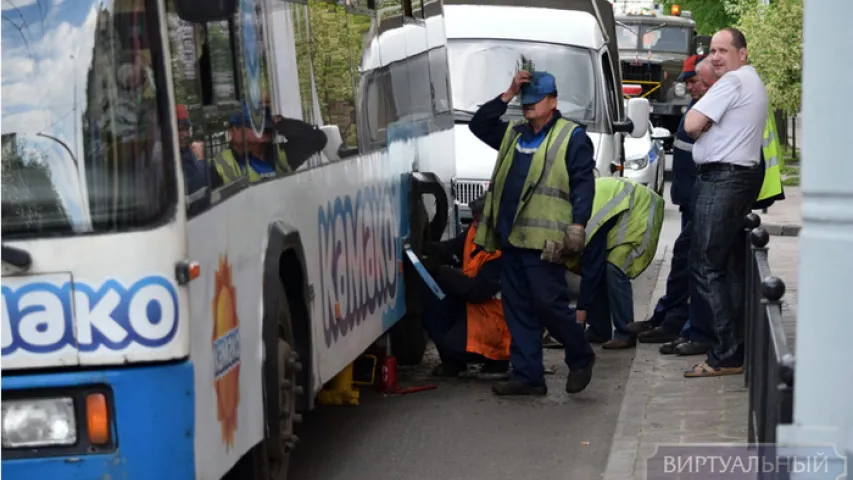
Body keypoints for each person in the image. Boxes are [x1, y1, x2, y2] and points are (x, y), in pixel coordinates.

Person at [470, 69, 597, 396]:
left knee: (548, 304)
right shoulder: (514, 133)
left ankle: (580, 355)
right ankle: (528, 376)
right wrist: (510, 90)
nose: (527, 106)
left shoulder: (572, 136)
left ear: (553, 101)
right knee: (518, 307)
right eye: (524, 101)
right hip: (511, 237)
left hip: (546, 240)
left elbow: (584, 182)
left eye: (533, 100)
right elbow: (479, 124)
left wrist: (578, 225)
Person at [682, 27, 767, 378]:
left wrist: (701, 126)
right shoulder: (752, 81)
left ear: (742, 53)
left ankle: (726, 354)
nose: (715, 57)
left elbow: (691, 123)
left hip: (722, 180)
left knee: (706, 266)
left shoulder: (732, 83)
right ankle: (736, 349)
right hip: (737, 179)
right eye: (712, 50)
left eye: (723, 50)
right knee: (728, 268)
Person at [626, 56, 719, 356]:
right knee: (683, 261)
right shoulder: (696, 109)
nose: (690, 87)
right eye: (688, 82)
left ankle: (676, 321)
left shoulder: (709, 111)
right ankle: (666, 317)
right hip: (691, 200)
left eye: (694, 82)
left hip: (702, 201)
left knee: (688, 262)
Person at [419, 195, 511, 377]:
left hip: (496, 319)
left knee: (453, 344)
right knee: (429, 295)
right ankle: (453, 362)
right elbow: (453, 248)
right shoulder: (476, 232)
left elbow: (477, 290)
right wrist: (426, 250)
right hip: (477, 311)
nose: (475, 224)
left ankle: (497, 358)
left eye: (479, 219)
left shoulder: (502, 249)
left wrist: (440, 272)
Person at [571, 177, 665, 349]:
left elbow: (592, 264)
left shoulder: (588, 218)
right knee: (599, 269)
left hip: (642, 209)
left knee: (614, 267)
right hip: (624, 211)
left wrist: (581, 309)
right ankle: (600, 330)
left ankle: (625, 333)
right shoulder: (577, 204)